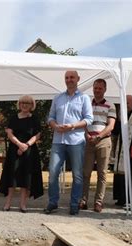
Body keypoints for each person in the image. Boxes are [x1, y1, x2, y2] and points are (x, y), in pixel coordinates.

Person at [45, 71, 93, 215]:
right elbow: (50, 117)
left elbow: (89, 119)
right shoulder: (57, 98)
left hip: (76, 141)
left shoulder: (84, 98)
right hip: (58, 141)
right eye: (67, 78)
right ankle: (53, 202)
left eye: (72, 77)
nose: (69, 80)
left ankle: (74, 204)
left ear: (78, 79)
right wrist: (54, 126)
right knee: (53, 172)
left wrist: (72, 126)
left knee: (77, 174)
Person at [0, 95, 43, 212]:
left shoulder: (35, 119)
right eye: (22, 103)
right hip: (14, 150)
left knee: (26, 178)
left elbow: (37, 135)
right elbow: (10, 134)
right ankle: (8, 203)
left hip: (30, 151)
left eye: (27, 103)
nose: (24, 105)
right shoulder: (13, 118)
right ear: (19, 104)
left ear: (32, 105)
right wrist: (19, 145)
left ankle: (23, 204)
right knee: (11, 177)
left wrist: (26, 145)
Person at [79, 79, 116, 213]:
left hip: (103, 141)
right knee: (86, 172)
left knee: (102, 173)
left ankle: (98, 201)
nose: (97, 90)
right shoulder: (87, 104)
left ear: (105, 89)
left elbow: (111, 125)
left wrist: (99, 136)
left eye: (100, 88)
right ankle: (83, 200)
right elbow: (83, 122)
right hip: (88, 141)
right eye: (95, 88)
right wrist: (87, 135)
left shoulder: (110, 105)